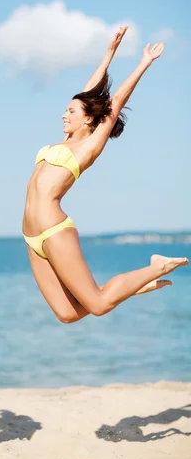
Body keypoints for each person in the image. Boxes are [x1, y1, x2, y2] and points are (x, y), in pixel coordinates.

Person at [22, 27, 188, 323]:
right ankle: (129, 288)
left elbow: (115, 103)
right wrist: (109, 53)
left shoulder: (88, 147)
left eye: (70, 111)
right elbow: (89, 93)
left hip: (53, 229)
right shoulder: (62, 142)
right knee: (66, 314)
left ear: (88, 118)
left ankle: (157, 266)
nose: (64, 114)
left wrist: (143, 63)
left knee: (97, 306)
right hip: (31, 235)